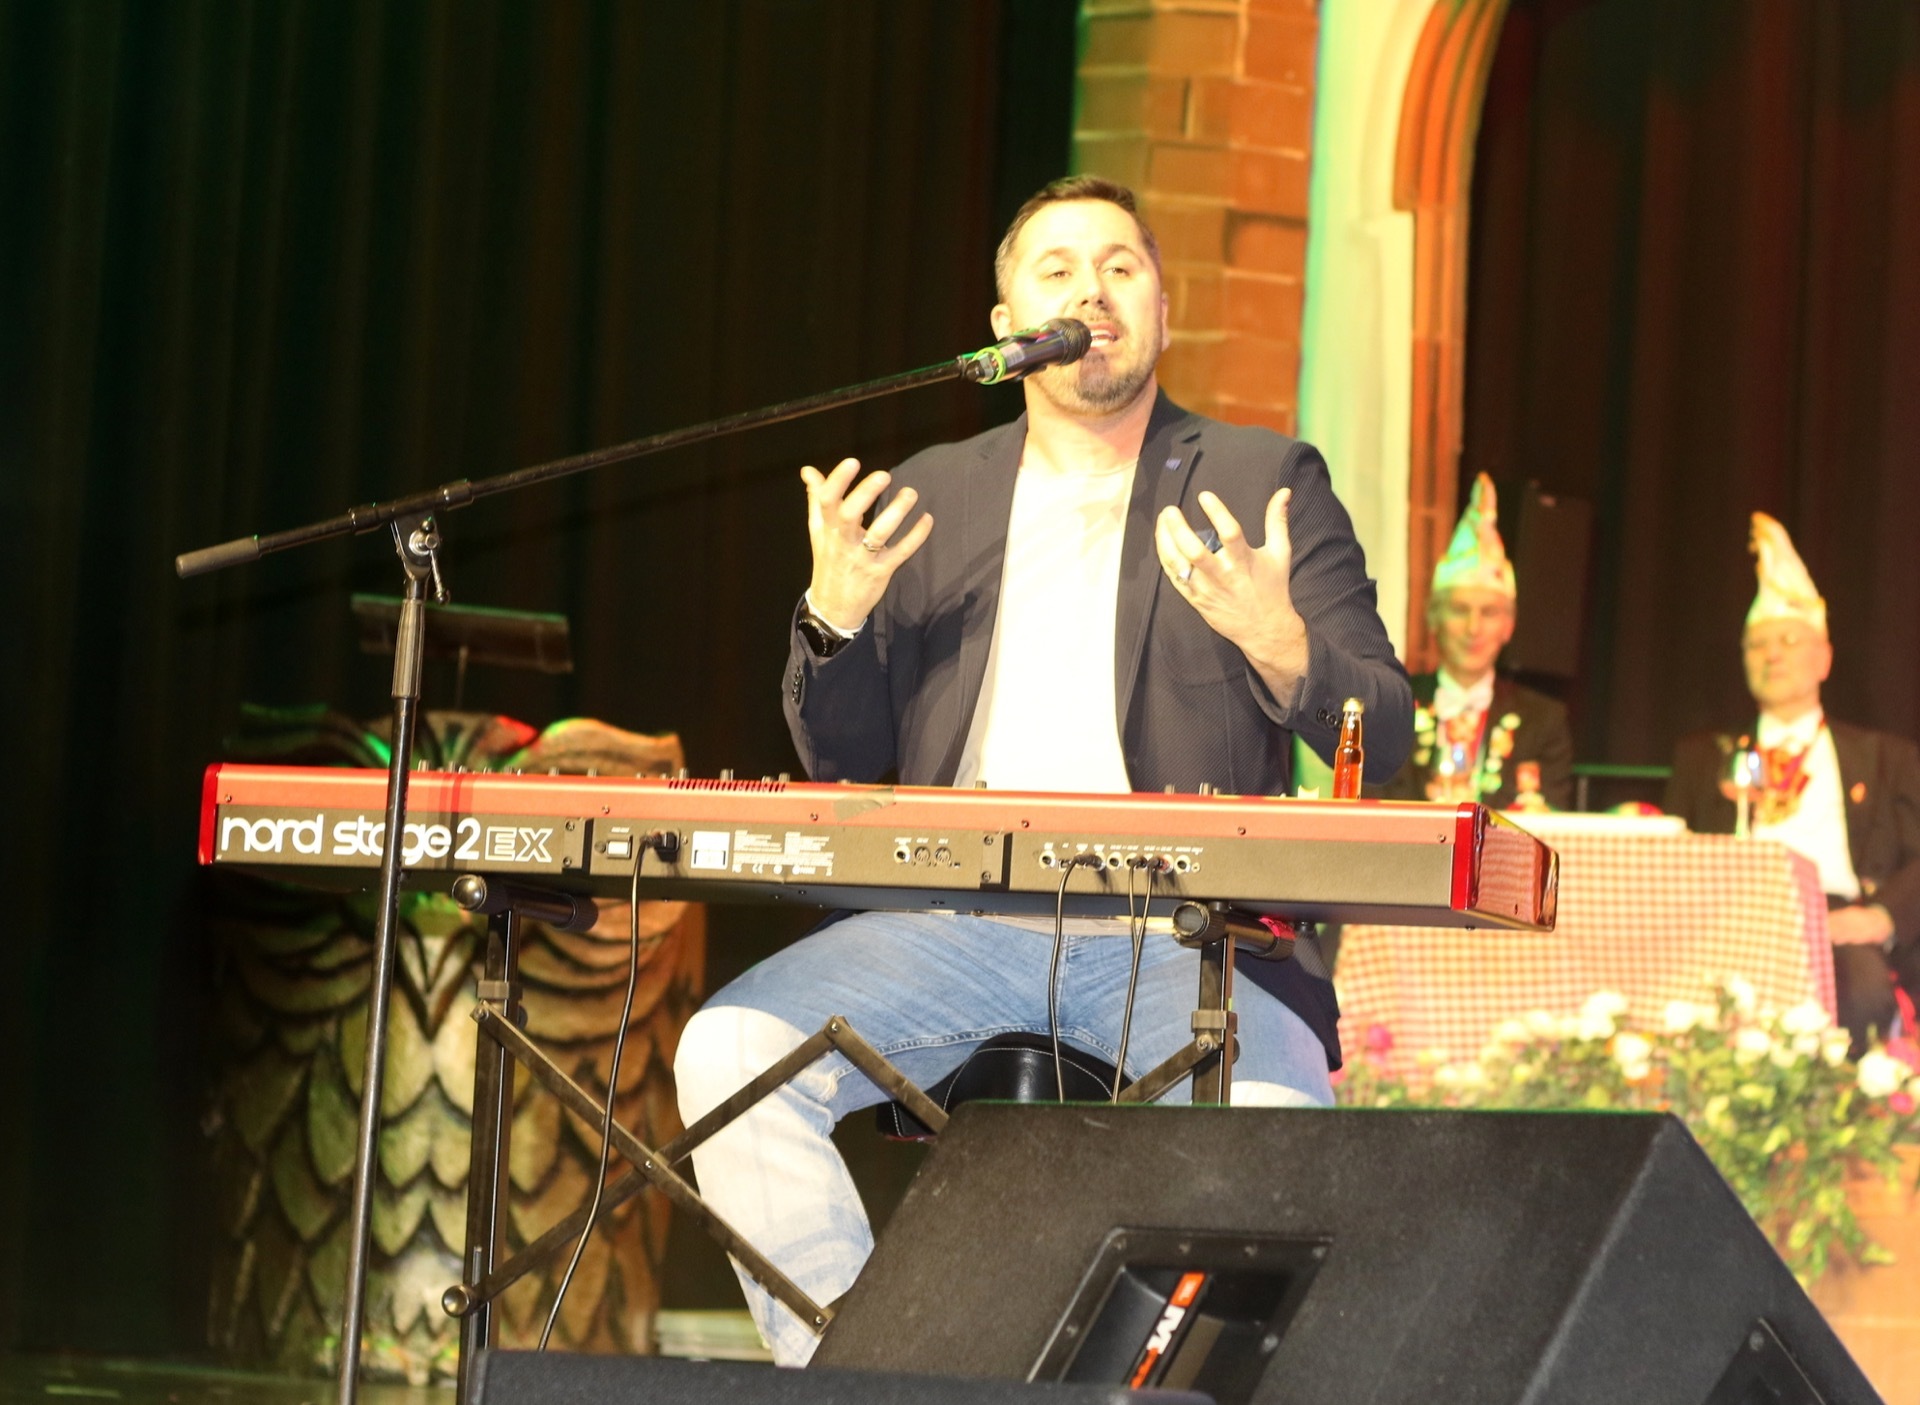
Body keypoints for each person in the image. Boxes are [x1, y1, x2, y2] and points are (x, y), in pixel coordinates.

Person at [672, 176, 1412, 1365]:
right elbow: (844, 763)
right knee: (730, 1050)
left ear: (1164, 310)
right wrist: (833, 620)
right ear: (1009, 322)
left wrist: (1281, 643)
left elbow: (1391, 727)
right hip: (952, 923)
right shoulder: (933, 491)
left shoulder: (1262, 480)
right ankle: (856, 1379)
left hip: (1180, 935)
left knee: (1277, 1127)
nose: (1092, 292)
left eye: (1122, 267)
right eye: (1057, 270)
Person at [1664, 512, 1920, 1054]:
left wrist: (1881, 917)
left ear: (1823, 659)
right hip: (1725, 920)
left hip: (1835, 922)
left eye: (1788, 639)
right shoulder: (1701, 758)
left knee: (1864, 995)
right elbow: (1672, 854)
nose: (1773, 654)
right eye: (1757, 644)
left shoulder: (1885, 758)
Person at [1376, 474, 1573, 811]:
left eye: (1489, 612)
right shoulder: (1390, 708)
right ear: (1434, 619)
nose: (1474, 627)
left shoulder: (1544, 721)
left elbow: (1548, 827)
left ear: (1509, 626)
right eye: (1459, 610)